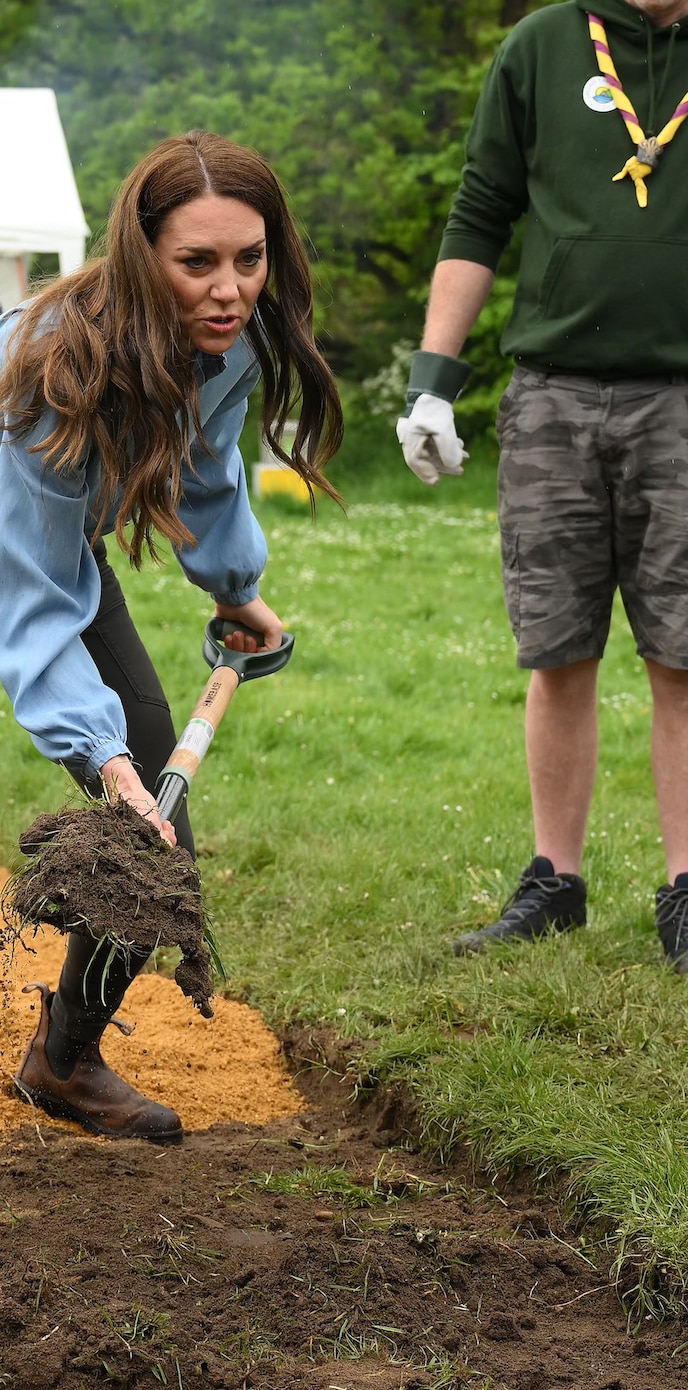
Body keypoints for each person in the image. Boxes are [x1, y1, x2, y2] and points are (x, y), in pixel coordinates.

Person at [0, 129, 343, 1250]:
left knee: (157, 823)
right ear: (137, 252)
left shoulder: (237, 341)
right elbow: (30, 606)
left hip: (54, 536)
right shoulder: (60, 357)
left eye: (249, 260)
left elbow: (208, 472)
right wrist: (100, 755)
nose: (227, 291)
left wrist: (236, 588)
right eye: (196, 263)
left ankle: (63, 1056)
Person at [395, 0, 688, 965]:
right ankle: (554, 882)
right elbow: (481, 209)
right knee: (557, 651)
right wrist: (432, 385)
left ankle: (687, 892)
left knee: (683, 657)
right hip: (552, 396)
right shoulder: (541, 44)